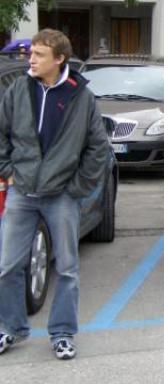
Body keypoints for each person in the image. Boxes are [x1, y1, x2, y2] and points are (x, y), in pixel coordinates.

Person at [0, 29, 110, 360]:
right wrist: (8, 171)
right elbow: (1, 134)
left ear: (59, 59)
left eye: (38, 54)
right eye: (30, 53)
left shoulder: (81, 96)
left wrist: (76, 188)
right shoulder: (19, 89)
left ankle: (62, 333)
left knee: (66, 268)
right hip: (23, 191)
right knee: (7, 266)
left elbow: (98, 148)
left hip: (61, 195)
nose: (30, 59)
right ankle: (10, 328)